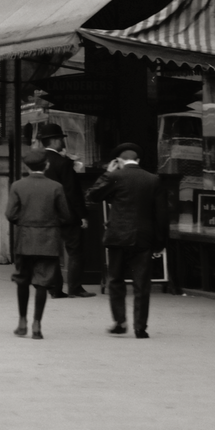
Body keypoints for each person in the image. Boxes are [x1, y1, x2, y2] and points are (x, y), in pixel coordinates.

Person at [86, 143, 169, 338]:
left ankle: (120, 321)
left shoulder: (114, 176)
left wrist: (107, 173)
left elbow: (93, 195)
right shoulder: (153, 179)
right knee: (142, 284)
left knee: (115, 280)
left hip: (118, 237)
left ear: (119, 162)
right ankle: (141, 328)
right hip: (143, 238)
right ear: (138, 161)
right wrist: (160, 242)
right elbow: (162, 215)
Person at [6, 148, 74, 340]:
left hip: (25, 240)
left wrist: (25, 221)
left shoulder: (18, 186)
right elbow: (65, 215)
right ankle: (37, 324)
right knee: (42, 283)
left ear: (26, 166)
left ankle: (22, 321)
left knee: (22, 281)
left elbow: (10, 214)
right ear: (47, 165)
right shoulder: (56, 187)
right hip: (48, 241)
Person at [37, 122, 94, 298]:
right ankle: (75, 287)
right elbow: (72, 192)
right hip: (67, 214)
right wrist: (83, 215)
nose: (63, 142)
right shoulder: (63, 163)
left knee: (52, 252)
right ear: (54, 141)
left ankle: (55, 289)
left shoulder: (38, 162)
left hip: (46, 214)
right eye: (61, 139)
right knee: (75, 251)